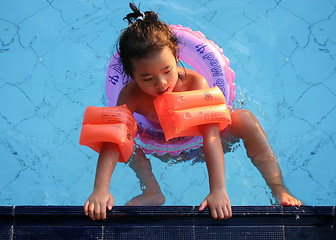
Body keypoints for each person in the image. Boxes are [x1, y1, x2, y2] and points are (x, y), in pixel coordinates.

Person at [84, 3, 301, 221]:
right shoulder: (130, 95)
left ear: (176, 56)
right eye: (147, 78)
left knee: (245, 119)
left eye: (167, 70)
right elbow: (112, 141)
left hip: (198, 144)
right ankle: (152, 191)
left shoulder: (195, 83)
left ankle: (277, 186)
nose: (160, 83)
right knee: (126, 142)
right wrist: (100, 189)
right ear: (131, 75)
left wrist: (218, 190)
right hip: (161, 148)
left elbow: (211, 136)